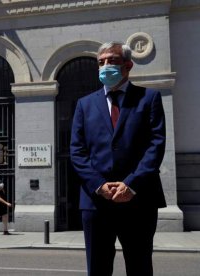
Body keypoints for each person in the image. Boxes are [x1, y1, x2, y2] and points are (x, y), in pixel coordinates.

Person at [70, 41, 166, 276]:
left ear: (128, 65)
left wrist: (131, 184)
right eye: (100, 62)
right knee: (98, 267)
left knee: (140, 265)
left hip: (138, 198)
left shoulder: (149, 98)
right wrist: (99, 185)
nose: (105, 66)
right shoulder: (85, 104)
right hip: (96, 201)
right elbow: (77, 151)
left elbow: (156, 146)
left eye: (112, 61)